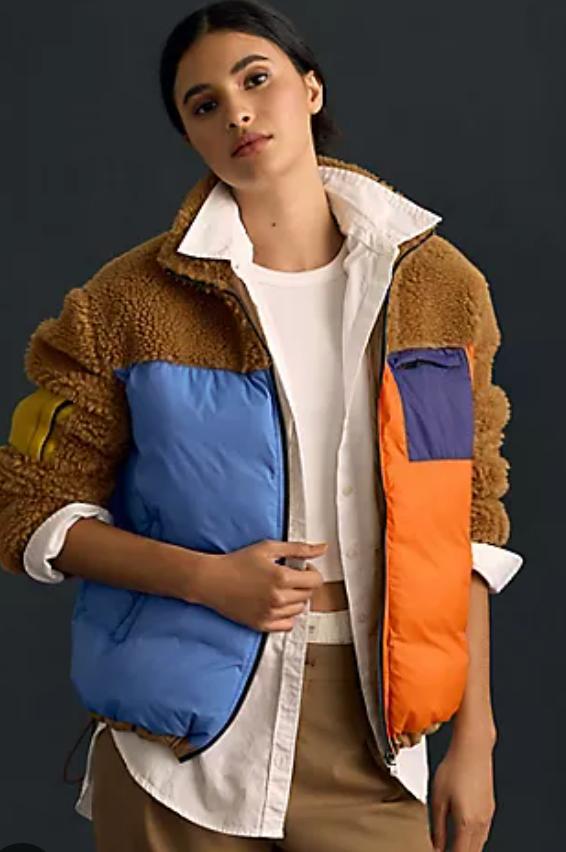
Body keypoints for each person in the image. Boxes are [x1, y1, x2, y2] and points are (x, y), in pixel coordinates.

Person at [0, 1, 524, 850]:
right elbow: (27, 506)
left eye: (257, 80)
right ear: (190, 135)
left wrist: (477, 739)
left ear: (310, 89)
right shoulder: (124, 305)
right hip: (179, 748)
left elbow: (467, 522)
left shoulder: (440, 289)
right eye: (205, 104)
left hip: (378, 727)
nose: (238, 113)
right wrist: (206, 579)